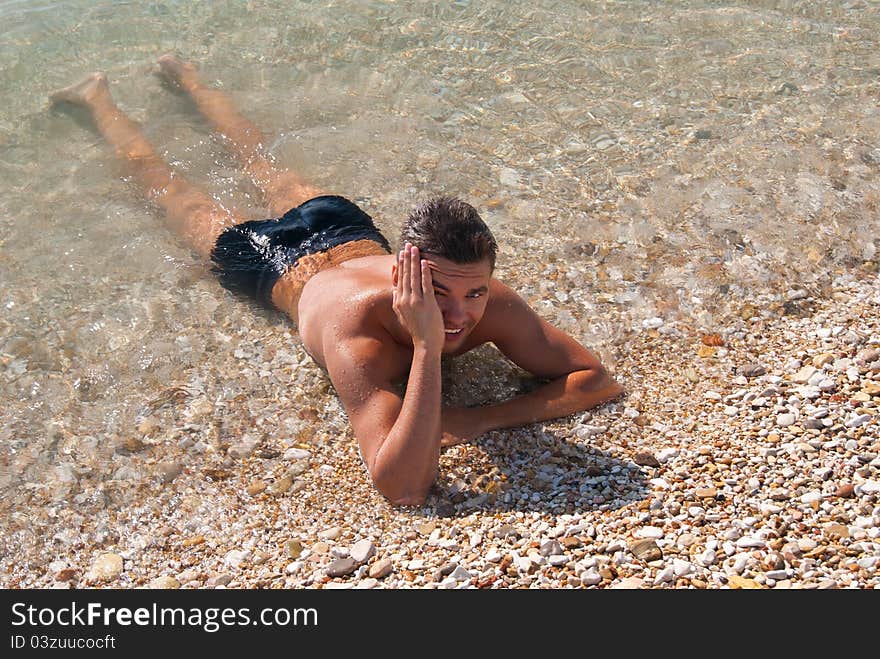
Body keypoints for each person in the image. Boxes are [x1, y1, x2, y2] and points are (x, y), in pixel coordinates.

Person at [51, 55, 624, 506]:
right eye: (439, 292)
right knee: (166, 186)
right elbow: (401, 487)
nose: (460, 314)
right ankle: (96, 98)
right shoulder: (359, 338)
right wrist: (426, 345)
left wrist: (475, 419)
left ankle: (187, 79)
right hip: (267, 261)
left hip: (343, 227)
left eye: (475, 292)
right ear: (406, 271)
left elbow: (598, 380)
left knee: (257, 155)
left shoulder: (485, 302)